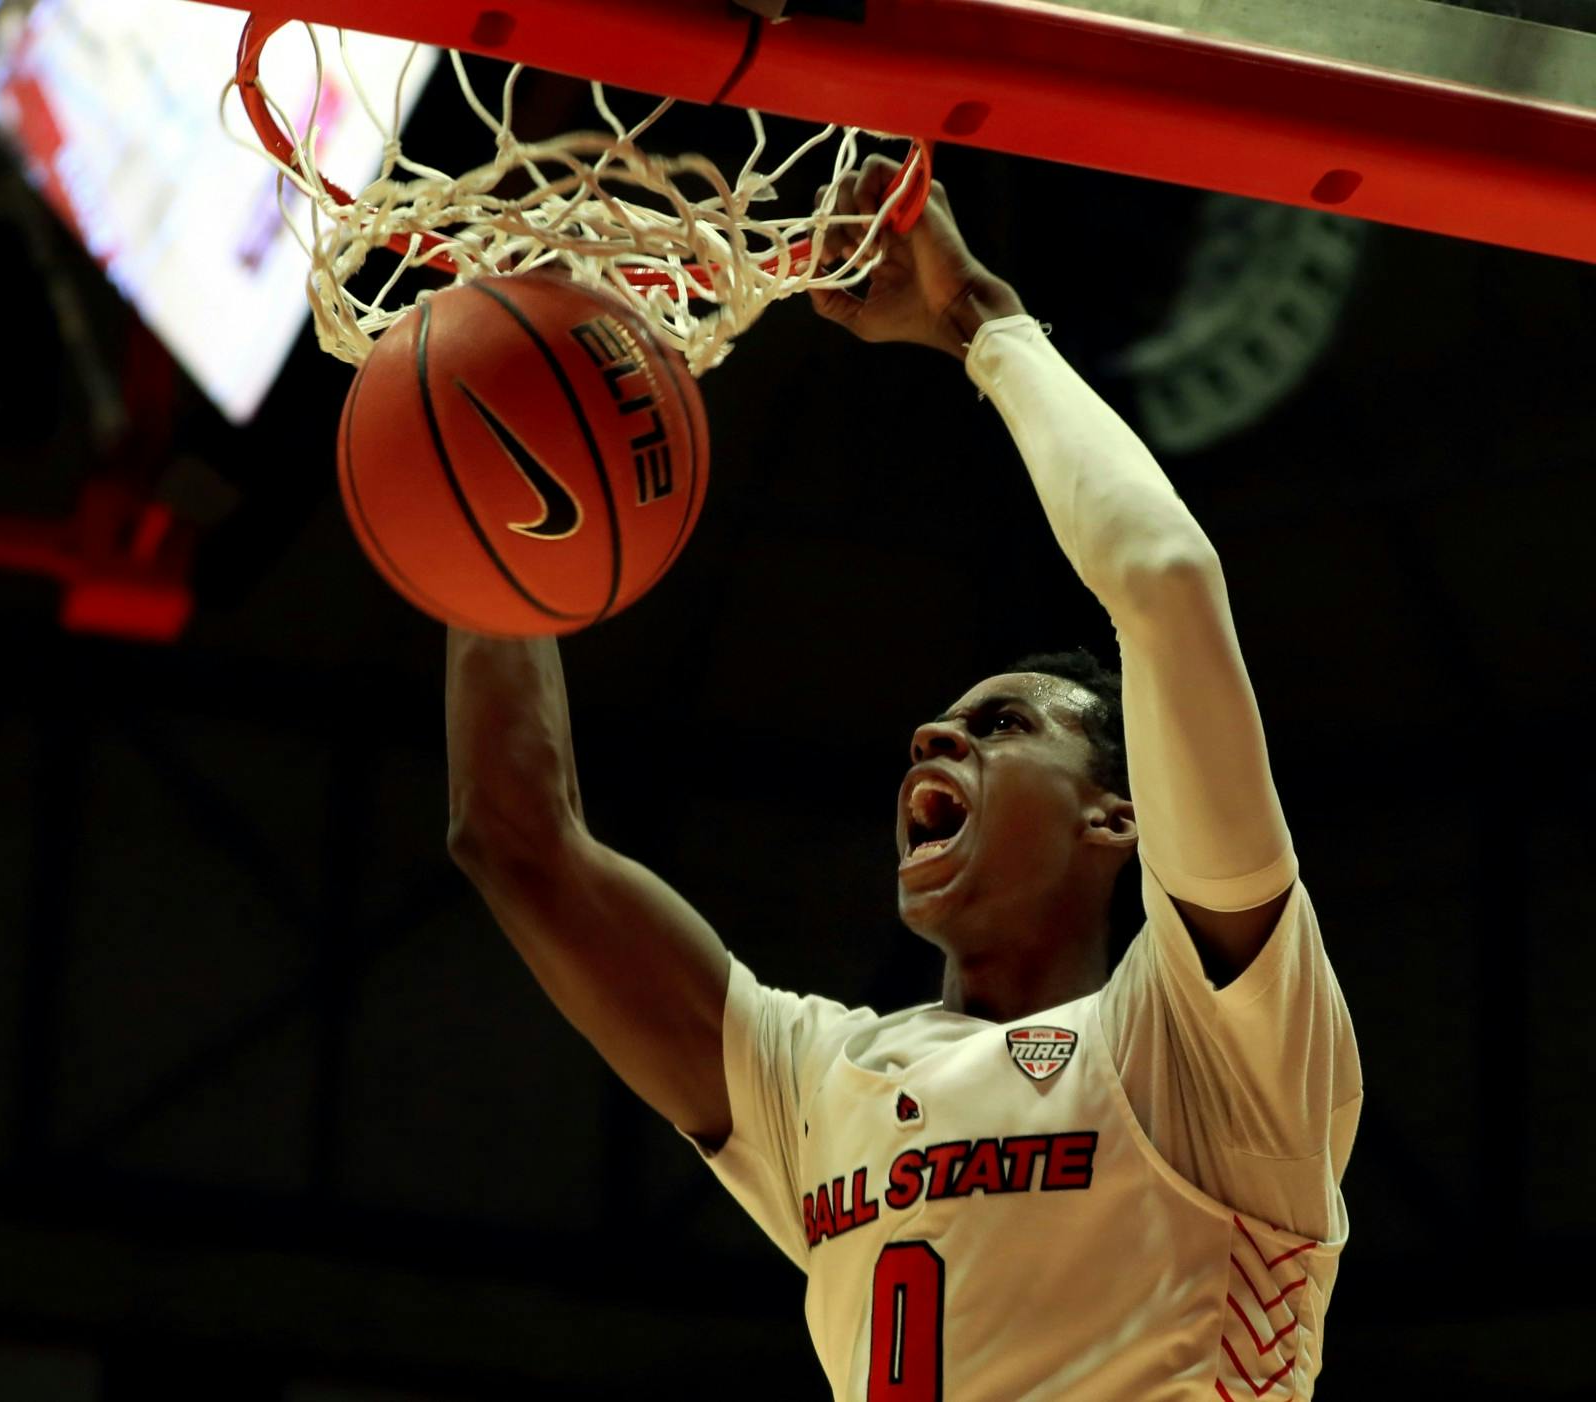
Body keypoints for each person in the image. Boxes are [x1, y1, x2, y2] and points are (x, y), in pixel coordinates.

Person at [445, 156, 1360, 1401]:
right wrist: (495, 495)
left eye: (999, 724)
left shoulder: (1206, 1044)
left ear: (1118, 810)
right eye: (937, 729)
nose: (935, 740)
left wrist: (983, 322)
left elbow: (1160, 581)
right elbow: (516, 838)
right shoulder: (824, 1084)